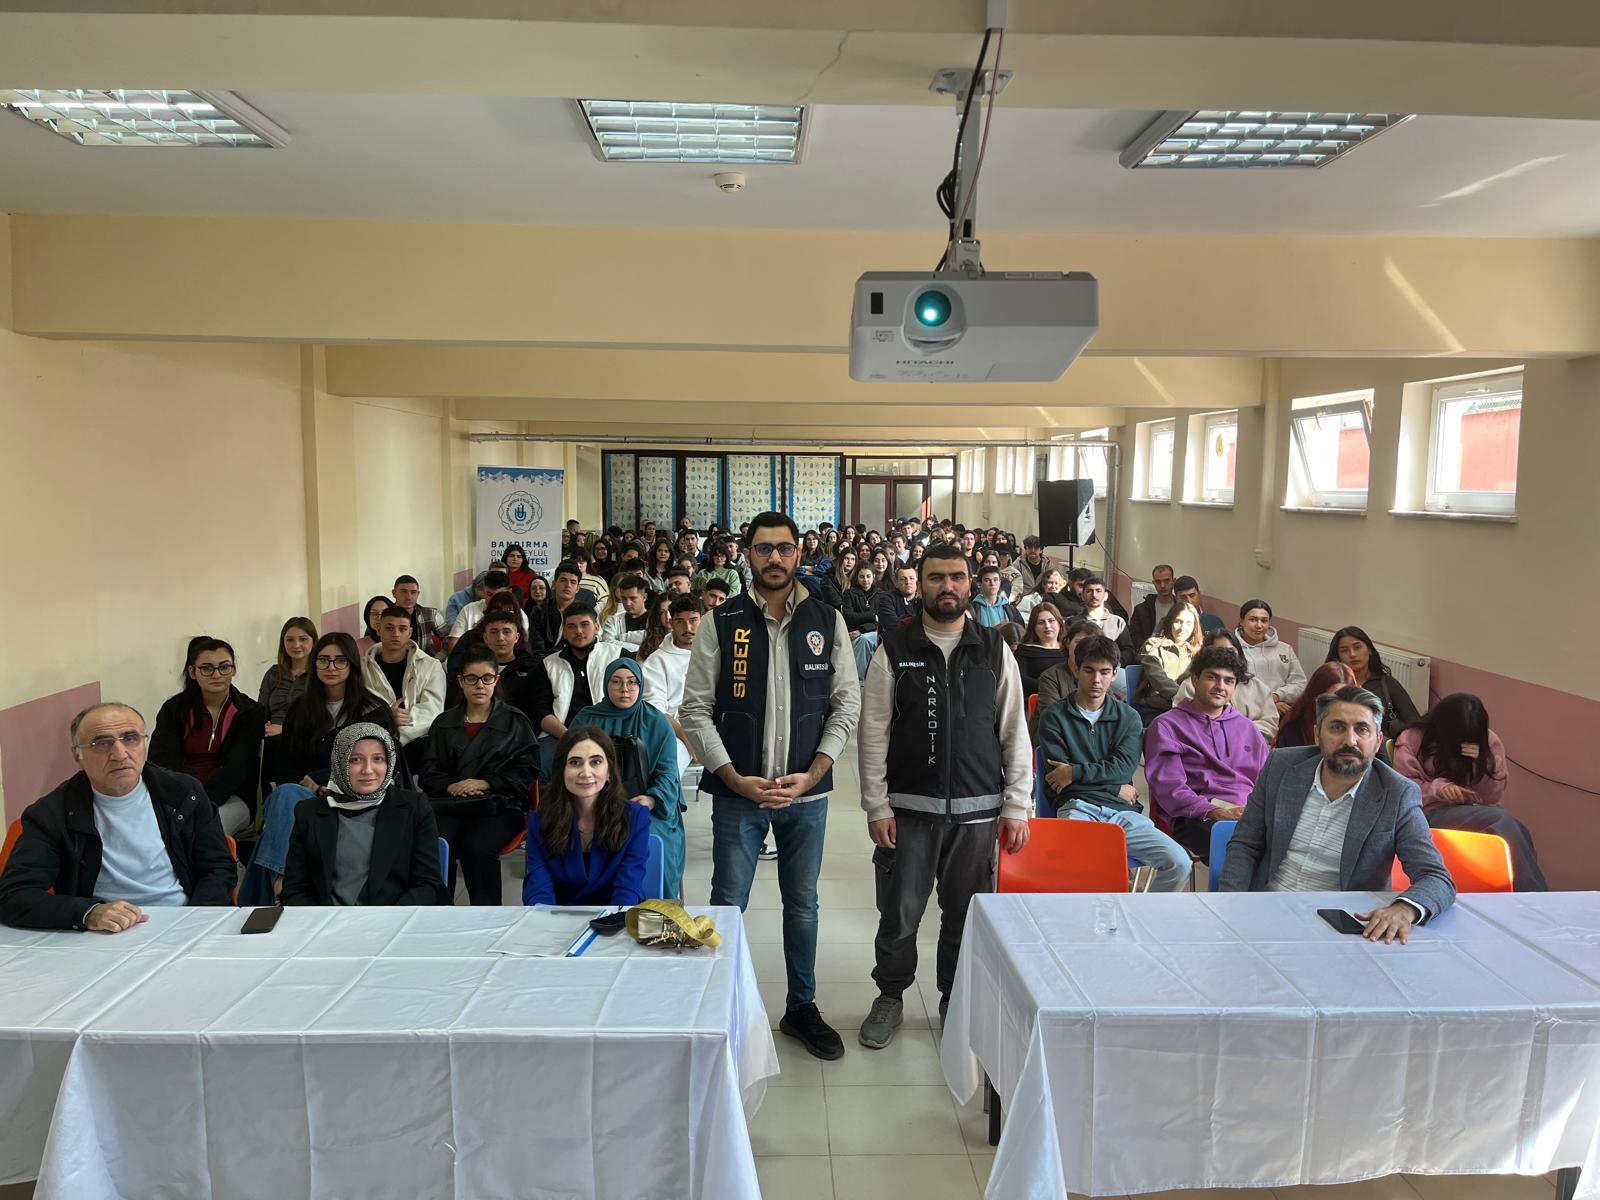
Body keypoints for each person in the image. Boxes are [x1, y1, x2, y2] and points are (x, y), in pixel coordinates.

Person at [680, 511, 861, 1061]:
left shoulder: (827, 620)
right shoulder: (721, 622)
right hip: (739, 795)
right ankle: (722, 1006)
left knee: (802, 904)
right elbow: (695, 709)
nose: (775, 558)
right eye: (763, 549)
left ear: (799, 553)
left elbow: (845, 704)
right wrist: (732, 777)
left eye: (784, 548)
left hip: (806, 795)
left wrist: (815, 773)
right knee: (728, 902)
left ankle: (801, 1007)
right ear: (747, 554)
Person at [857, 544, 1032, 1046]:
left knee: (964, 915)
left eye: (957, 576)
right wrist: (877, 805)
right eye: (936, 577)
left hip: (978, 813)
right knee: (899, 916)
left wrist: (1017, 804)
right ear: (920, 583)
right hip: (909, 811)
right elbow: (873, 733)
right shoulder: (896, 648)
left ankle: (954, 998)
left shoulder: (994, 650)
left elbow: (1014, 731)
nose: (948, 586)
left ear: (970, 583)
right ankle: (891, 995)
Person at [1219, 686, 1456, 942]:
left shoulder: (1397, 794)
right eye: (1337, 727)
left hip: (1339, 927)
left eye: (1362, 730)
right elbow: (1245, 844)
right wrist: (1232, 903)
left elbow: (1436, 878)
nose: (1349, 741)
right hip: (1266, 910)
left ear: (1378, 741)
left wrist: (1405, 909)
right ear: (1317, 734)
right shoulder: (1281, 766)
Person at [0, 702, 236, 931]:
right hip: (102, 933)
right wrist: (88, 912)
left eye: (131, 738)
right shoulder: (53, 812)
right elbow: (14, 895)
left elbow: (217, 867)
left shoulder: (183, 793)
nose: (119, 754)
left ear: (145, 744)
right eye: (101, 743)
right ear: (77, 755)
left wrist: (195, 921)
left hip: (181, 919)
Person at [1036, 635, 1191, 891]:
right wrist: (1114, 787)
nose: (1096, 680)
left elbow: (1123, 769)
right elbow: (1058, 780)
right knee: (1090, 871)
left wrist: (1075, 772)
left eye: (1104, 672)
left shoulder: (1128, 717)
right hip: (1078, 809)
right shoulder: (1054, 716)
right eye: (1089, 670)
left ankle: (1147, 914)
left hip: (1123, 813)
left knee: (1179, 863)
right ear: (1076, 669)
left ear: (1115, 673)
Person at [281, 722, 446, 906]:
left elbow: (427, 884)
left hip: (393, 918)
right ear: (339, 762)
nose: (368, 770)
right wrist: (321, 920)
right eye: (355, 760)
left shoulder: (414, 807)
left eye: (378, 759)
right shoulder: (309, 812)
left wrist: (388, 919)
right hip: (327, 920)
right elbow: (295, 889)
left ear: (389, 762)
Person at [421, 646, 538, 905]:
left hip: (500, 804)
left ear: (496, 680)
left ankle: (488, 917)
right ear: (460, 681)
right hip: (450, 803)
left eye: (487, 678)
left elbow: (527, 771)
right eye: (472, 678)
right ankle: (437, 912)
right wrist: (452, 786)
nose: (480, 685)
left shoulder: (515, 721)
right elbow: (429, 772)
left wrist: (486, 783)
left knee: (477, 846)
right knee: (438, 843)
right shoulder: (443, 723)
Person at [1394, 694, 1546, 891]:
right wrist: (1440, 789)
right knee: (1503, 821)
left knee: (1513, 827)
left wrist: (1483, 763)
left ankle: (1521, 891)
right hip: (1427, 812)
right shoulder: (1412, 739)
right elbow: (1403, 791)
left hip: (1473, 810)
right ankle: (1532, 895)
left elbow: (1491, 797)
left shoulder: (1488, 741)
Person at [1143, 644, 1271, 860]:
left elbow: (1267, 783)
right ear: (1194, 679)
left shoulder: (1248, 728)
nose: (1220, 686)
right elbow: (1170, 788)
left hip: (1246, 812)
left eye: (1228, 681)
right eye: (1212, 677)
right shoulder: (1167, 726)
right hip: (1196, 815)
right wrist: (1214, 811)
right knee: (1238, 848)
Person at [573, 659, 686, 900]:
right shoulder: (586, 719)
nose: (625, 689)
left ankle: (651, 907)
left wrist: (651, 799)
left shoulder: (656, 722)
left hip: (647, 805)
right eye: (616, 682)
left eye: (632, 682)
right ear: (605, 684)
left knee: (649, 837)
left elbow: (668, 773)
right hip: (592, 804)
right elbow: (569, 767)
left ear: (641, 685)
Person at [149, 636, 267, 836]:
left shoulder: (251, 712)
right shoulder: (174, 709)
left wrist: (198, 804)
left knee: (206, 830)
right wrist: (183, 799)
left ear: (234, 669)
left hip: (231, 797)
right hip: (178, 795)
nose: (216, 674)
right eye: (206, 668)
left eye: (224, 667)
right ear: (192, 672)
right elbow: (161, 761)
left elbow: (236, 770)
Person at [522, 726, 652, 907]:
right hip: (557, 917)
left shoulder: (636, 818)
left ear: (609, 771)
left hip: (614, 915)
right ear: (561, 771)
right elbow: (538, 888)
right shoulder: (539, 821)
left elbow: (628, 887)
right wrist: (546, 921)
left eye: (596, 762)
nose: (585, 772)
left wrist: (614, 921)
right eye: (575, 762)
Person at [536, 603, 626, 779]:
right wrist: (568, 736)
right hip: (561, 734)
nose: (578, 631)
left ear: (597, 627)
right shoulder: (548, 665)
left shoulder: (618, 656)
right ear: (564, 631)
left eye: (585, 625)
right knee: (540, 763)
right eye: (571, 626)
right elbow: (541, 711)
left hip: (610, 732)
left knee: (624, 764)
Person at [361, 606, 447, 769]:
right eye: (389, 628)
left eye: (402, 629)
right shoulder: (362, 669)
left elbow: (432, 711)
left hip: (417, 743)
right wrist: (386, 718)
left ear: (410, 632)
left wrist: (396, 736)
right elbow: (360, 709)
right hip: (373, 742)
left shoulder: (431, 666)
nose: (396, 634)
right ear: (378, 629)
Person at [1175, 628, 1280, 742]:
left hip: (1252, 744)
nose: (1225, 656)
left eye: (1231, 651)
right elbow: (1185, 725)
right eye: (1219, 650)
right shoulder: (1190, 685)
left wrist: (1240, 733)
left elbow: (1270, 723)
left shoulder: (1257, 686)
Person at [641, 594, 702, 776]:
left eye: (693, 620)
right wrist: (685, 737)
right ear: (671, 623)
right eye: (680, 622)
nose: (687, 628)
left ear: (703, 619)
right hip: (677, 731)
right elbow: (655, 709)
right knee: (667, 764)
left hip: (716, 727)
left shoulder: (718, 652)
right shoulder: (657, 660)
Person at [1326, 625, 1420, 740]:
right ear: (1338, 657)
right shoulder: (1333, 686)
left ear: (1369, 650)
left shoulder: (1387, 683)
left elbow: (1415, 723)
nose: (1352, 654)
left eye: (1357, 647)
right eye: (1344, 651)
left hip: (1384, 748)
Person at [475, 608, 554, 734]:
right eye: (494, 632)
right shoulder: (473, 667)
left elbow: (538, 709)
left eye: (506, 632)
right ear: (485, 637)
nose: (500, 638)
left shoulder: (533, 667)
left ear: (516, 637)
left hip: (521, 733)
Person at [1133, 602, 1203, 725]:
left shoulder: (1198, 652)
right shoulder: (1154, 645)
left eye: (1188, 623)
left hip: (1189, 708)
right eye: (1178, 622)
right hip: (1157, 707)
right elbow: (1157, 676)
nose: (1182, 628)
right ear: (1170, 622)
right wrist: (1180, 696)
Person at [1236, 599, 1308, 716]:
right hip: (1247, 713)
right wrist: (1268, 704)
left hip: (1283, 708)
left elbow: (1300, 683)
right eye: (1253, 619)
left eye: (1264, 620)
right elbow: (1235, 689)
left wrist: (1277, 696)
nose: (1259, 625)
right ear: (1241, 621)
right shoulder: (1233, 650)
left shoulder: (1285, 649)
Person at [1274, 661, 1359, 748]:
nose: (1339, 704)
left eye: (1345, 698)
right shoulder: (1293, 729)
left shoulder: (1361, 723)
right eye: (1331, 698)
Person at [257, 617, 317, 736]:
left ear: (313, 641)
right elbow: (260, 712)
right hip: (271, 738)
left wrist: (285, 730)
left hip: (306, 739)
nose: (296, 645)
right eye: (290, 640)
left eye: (303, 639)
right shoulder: (273, 673)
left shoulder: (320, 674)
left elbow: (323, 719)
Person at [449, 570, 528, 653]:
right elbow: (453, 644)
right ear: (484, 590)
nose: (494, 599)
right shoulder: (469, 610)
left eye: (499, 595)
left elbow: (523, 646)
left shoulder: (519, 614)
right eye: (489, 594)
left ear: (509, 592)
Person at [1015, 602, 1070, 698]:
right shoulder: (1024, 650)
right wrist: (1051, 687)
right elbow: (1020, 679)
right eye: (1041, 622)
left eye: (1051, 621)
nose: (1047, 626)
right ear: (1034, 627)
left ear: (1059, 623)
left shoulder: (1069, 649)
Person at [393, 575, 449, 655]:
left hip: (425, 659)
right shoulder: (384, 615)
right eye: (404, 592)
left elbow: (448, 639)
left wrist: (438, 658)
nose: (409, 597)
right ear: (394, 593)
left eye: (413, 592)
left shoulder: (430, 614)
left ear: (418, 594)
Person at [1126, 563, 1178, 650]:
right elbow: (1134, 636)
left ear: (1174, 581)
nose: (1162, 585)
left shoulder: (1181, 608)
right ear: (1154, 583)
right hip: (1148, 652)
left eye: (1166, 581)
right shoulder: (1141, 609)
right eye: (1158, 582)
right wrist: (1148, 648)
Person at [599, 572, 652, 649]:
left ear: (644, 597)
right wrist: (640, 648)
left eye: (633, 598)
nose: (628, 603)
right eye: (624, 598)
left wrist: (621, 638)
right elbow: (607, 643)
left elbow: (653, 640)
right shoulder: (613, 620)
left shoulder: (655, 620)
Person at [970, 563, 1023, 633]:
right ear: (979, 584)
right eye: (987, 580)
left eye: (995, 580)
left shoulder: (1010, 610)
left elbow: (1020, 633)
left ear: (1000, 582)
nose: (992, 584)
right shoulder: (973, 609)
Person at [876, 563, 918, 640]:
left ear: (917, 581)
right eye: (903, 579)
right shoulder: (886, 599)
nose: (908, 582)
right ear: (896, 583)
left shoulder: (924, 598)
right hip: (895, 641)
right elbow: (891, 624)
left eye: (911, 578)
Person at [820, 547, 857, 613]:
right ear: (841, 559)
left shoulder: (857, 577)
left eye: (853, 559)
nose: (849, 562)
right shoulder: (829, 576)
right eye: (846, 558)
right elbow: (832, 598)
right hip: (834, 611)